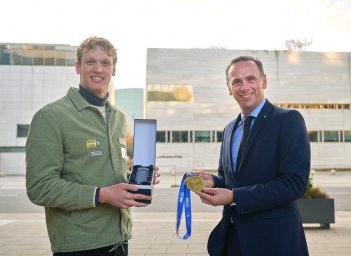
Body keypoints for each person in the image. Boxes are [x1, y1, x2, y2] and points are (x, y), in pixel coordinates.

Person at [26, 36, 160, 256]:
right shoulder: (51, 117)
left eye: (105, 63)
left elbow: (101, 171)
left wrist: (136, 178)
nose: (98, 69)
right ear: (78, 66)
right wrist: (101, 195)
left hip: (119, 239)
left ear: (113, 69)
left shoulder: (118, 117)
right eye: (90, 62)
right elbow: (39, 187)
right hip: (80, 245)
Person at [193, 56, 310, 256]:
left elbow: (294, 184)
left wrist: (235, 196)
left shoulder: (288, 120)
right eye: (236, 81)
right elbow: (232, 182)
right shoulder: (229, 129)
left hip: (275, 242)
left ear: (264, 81)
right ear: (229, 88)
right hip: (233, 240)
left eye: (250, 79)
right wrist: (213, 181)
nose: (244, 86)